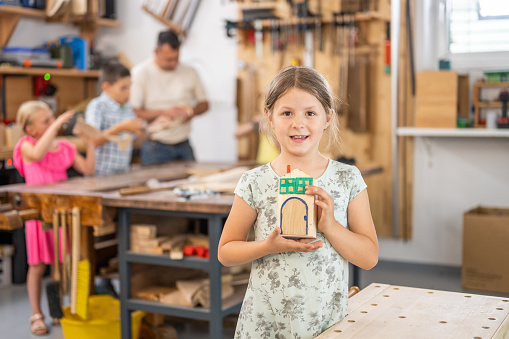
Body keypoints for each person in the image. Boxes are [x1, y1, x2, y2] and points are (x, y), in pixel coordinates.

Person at [218, 66, 379, 338]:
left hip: (325, 322)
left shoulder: (347, 179)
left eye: (310, 113)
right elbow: (226, 252)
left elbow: (369, 257)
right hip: (265, 322)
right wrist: (266, 247)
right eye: (287, 113)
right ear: (269, 116)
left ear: (328, 117)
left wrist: (330, 226)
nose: (298, 123)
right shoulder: (254, 181)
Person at [13, 101, 96, 335]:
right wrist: (59, 122)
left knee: (59, 267)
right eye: (46, 121)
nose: (52, 124)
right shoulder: (26, 147)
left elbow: (88, 169)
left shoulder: (64, 148)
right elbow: (38, 153)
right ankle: (36, 314)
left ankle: (56, 310)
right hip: (39, 217)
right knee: (37, 265)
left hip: (62, 216)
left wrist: (90, 145)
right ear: (30, 130)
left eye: (52, 119)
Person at [130, 29, 209, 165]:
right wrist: (164, 113)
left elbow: (205, 104)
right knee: (155, 185)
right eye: (168, 60)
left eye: (176, 58)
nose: (173, 64)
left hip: (183, 143)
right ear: (156, 52)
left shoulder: (190, 72)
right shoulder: (140, 73)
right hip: (155, 146)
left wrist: (191, 112)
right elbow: (133, 112)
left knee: (193, 183)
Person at [85, 60, 145, 175]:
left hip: (122, 175)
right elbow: (92, 141)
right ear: (106, 87)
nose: (128, 93)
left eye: (129, 87)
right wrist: (120, 128)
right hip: (101, 175)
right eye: (123, 88)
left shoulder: (127, 107)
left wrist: (157, 126)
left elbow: (136, 139)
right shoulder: (97, 106)